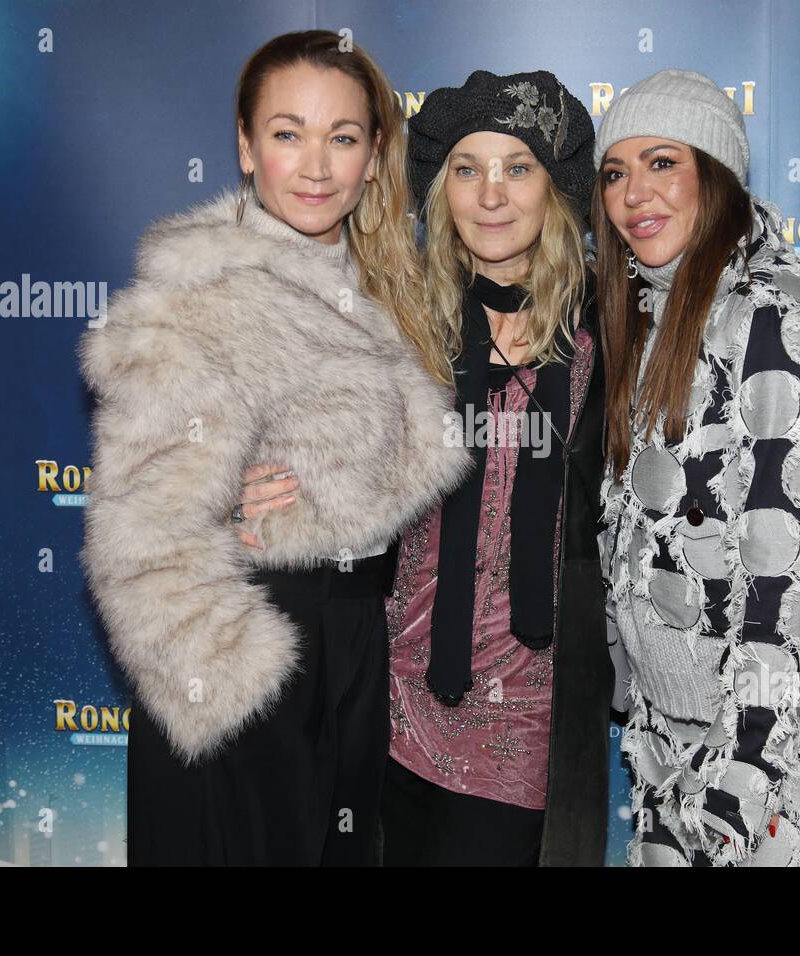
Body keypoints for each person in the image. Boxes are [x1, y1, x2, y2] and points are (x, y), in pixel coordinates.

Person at [78, 30, 469, 866]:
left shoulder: (388, 292)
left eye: (343, 137)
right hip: (252, 652)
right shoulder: (194, 300)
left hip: (357, 648)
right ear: (247, 148)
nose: (317, 166)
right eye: (288, 134)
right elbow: (137, 539)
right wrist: (233, 680)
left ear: (373, 158)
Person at [238, 70, 613, 867]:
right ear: (442, 191)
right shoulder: (397, 326)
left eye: (518, 169)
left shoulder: (605, 339)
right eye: (468, 170)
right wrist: (228, 489)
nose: (492, 194)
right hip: (392, 709)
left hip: (530, 722)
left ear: (555, 191)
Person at [593, 69, 800, 867]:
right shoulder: (655, 307)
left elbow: (794, 567)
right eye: (615, 172)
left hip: (776, 729)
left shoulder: (774, 316)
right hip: (676, 719)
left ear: (714, 179)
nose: (632, 195)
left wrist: (749, 763)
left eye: (662, 163)